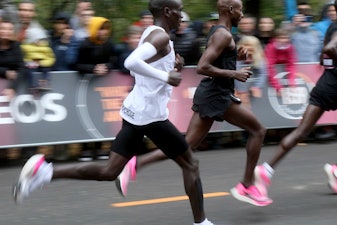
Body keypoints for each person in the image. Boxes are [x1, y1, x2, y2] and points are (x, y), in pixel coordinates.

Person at [12, 0, 215, 224]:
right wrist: (166, 76)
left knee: (110, 171)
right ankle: (201, 222)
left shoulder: (151, 31)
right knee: (190, 164)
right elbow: (131, 61)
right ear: (167, 12)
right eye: (179, 11)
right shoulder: (161, 37)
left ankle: (45, 172)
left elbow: (147, 67)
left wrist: (172, 69)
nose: (181, 15)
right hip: (151, 116)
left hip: (136, 112)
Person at [116, 0, 272, 207]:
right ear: (231, 10)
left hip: (214, 94)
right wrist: (234, 72)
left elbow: (217, 59)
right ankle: (247, 185)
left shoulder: (222, 32)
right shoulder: (222, 34)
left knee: (186, 146)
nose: (243, 15)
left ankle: (135, 164)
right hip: (217, 96)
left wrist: (237, 57)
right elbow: (203, 66)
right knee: (258, 131)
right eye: (241, 10)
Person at [253, 0, 337, 199]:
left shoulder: (332, 27)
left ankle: (266, 169)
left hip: (325, 85)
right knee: (301, 132)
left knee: (300, 133)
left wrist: (336, 65)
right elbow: (330, 49)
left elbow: (324, 55)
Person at [0, 20, 25, 100]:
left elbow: (21, 68)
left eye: (9, 29)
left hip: (11, 86)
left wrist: (12, 88)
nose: (6, 31)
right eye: (3, 28)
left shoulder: (16, 46)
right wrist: (4, 72)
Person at [264, 28, 297, 95]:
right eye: (281, 38)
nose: (283, 40)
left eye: (286, 38)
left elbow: (291, 65)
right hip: (273, 74)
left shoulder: (290, 47)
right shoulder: (270, 47)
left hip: (283, 72)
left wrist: (292, 83)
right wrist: (278, 87)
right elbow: (269, 68)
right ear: (275, 38)